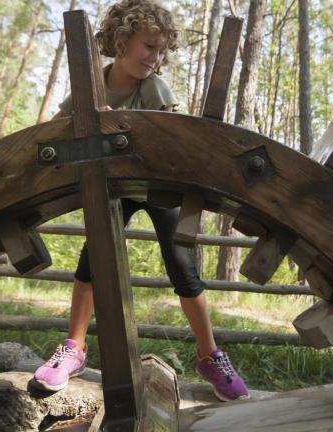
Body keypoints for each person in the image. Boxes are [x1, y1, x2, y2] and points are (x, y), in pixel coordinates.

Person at [31, 0, 250, 402]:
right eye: (149, 46)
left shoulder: (154, 87)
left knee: (182, 265)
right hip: (114, 189)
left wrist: (120, 126)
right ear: (120, 40)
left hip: (157, 187)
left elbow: (171, 140)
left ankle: (210, 354)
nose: (156, 58)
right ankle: (73, 347)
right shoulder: (92, 83)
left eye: (162, 50)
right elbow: (55, 130)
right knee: (91, 259)